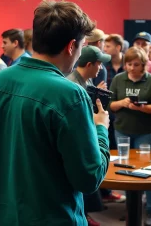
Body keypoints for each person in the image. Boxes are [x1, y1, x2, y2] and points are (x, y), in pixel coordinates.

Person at [0, 0, 110, 225]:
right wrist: (101, 129)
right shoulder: (69, 94)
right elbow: (89, 178)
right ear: (71, 46)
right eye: (83, 47)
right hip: (52, 217)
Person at [110, 47, 151, 226]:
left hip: (144, 131)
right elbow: (110, 105)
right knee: (125, 169)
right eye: (129, 64)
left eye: (136, 65)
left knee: (147, 170)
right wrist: (121, 103)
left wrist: (141, 108)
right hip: (122, 128)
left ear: (143, 65)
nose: (131, 68)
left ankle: (150, 210)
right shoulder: (118, 79)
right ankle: (130, 209)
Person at [67, 45, 111, 226]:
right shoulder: (72, 86)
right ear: (89, 64)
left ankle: (85, 213)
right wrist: (99, 123)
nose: (101, 68)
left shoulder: (86, 83)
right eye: (99, 64)